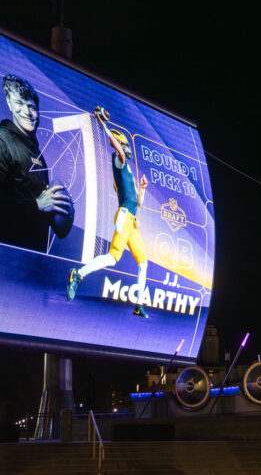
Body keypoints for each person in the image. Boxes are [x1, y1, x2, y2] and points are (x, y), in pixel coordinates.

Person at [67, 107, 150, 317]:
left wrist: (143, 189)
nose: (126, 149)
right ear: (119, 145)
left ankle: (139, 305)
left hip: (132, 222)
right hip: (124, 216)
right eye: (123, 145)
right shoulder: (118, 160)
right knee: (113, 258)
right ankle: (78, 273)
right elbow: (118, 149)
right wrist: (103, 126)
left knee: (143, 262)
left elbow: (138, 203)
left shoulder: (128, 170)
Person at [0, 74, 72, 251]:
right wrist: (36, 205)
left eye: (31, 106)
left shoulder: (37, 154)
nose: (27, 112)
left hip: (32, 259)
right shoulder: (3, 140)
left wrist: (62, 209)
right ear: (9, 103)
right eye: (19, 104)